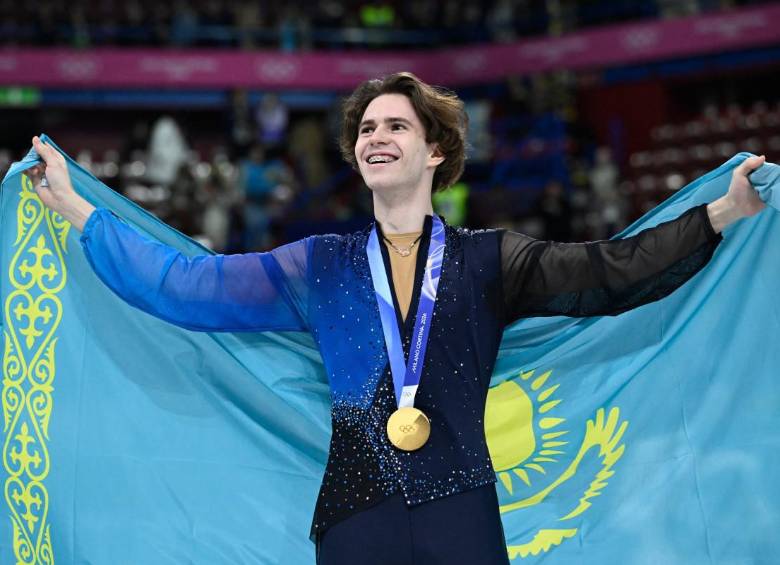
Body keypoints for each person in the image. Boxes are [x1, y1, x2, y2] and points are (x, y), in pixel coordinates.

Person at [24, 72, 766, 565]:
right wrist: (77, 209)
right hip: (356, 517)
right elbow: (190, 286)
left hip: (462, 513)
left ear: (435, 150)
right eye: (365, 130)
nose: (375, 137)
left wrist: (725, 211)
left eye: (395, 126)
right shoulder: (318, 264)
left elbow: (611, 273)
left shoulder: (490, 259)